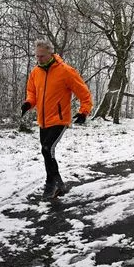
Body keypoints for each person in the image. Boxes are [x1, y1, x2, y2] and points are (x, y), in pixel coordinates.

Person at [21, 39, 93, 198]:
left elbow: (84, 93)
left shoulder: (65, 71)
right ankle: (59, 184)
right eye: (37, 56)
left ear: (50, 53)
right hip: (43, 120)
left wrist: (84, 112)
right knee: (47, 152)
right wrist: (28, 103)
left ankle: (50, 184)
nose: (38, 59)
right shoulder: (35, 72)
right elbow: (32, 93)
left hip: (60, 119)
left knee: (47, 149)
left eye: (42, 56)